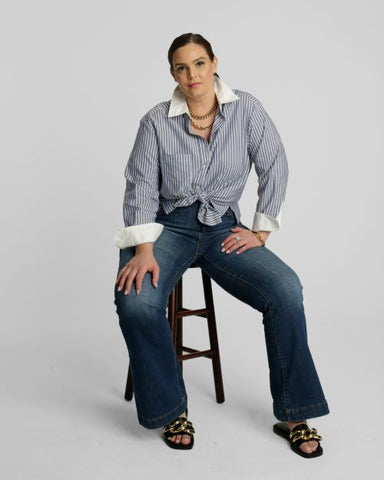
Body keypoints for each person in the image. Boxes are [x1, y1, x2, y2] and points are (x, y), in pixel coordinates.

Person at [114, 32, 329, 458]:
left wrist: (260, 231)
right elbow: (139, 186)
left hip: (222, 230)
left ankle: (294, 413)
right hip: (165, 229)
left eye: (198, 63)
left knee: (286, 290)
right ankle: (170, 409)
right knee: (137, 302)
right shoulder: (156, 121)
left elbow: (274, 164)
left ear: (214, 63)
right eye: (181, 66)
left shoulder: (246, 109)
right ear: (172, 73)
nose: (191, 74)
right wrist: (143, 249)